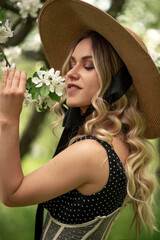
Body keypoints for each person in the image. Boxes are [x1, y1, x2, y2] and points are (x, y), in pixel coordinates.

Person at [0, 0, 160, 239]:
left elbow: (12, 194)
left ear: (114, 83)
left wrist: (8, 119)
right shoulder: (116, 144)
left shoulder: (91, 152)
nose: (70, 73)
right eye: (72, 64)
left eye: (88, 66)